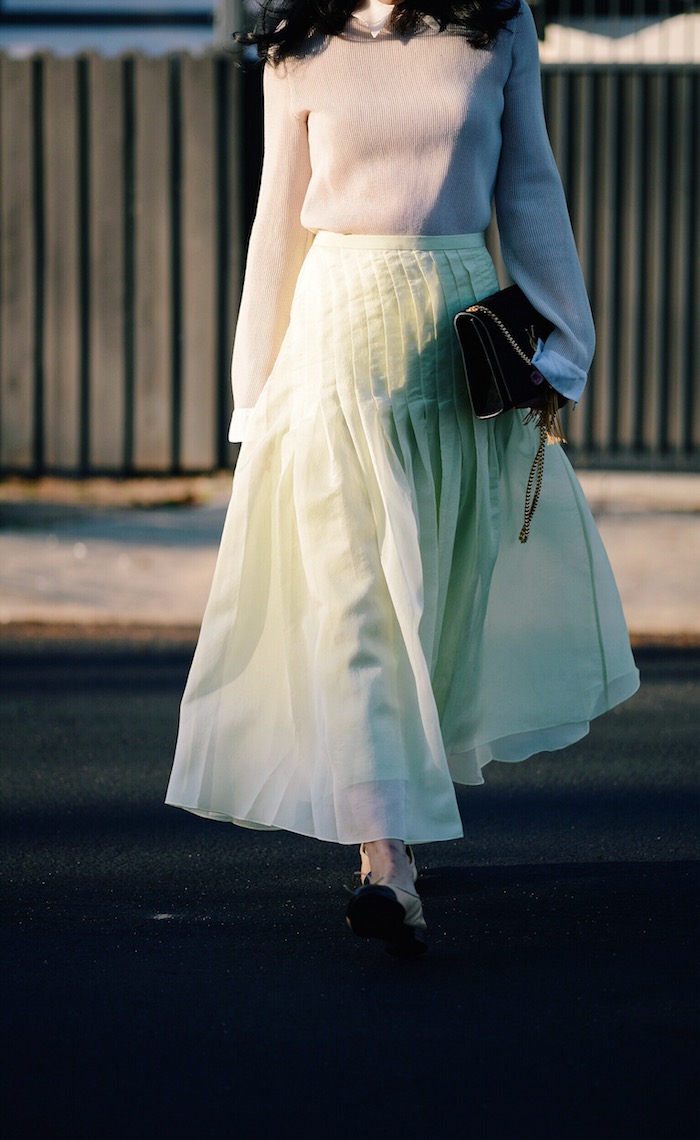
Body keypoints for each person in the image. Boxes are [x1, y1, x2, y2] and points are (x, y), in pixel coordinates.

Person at [166, 0, 639, 957]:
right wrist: (253, 397)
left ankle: (397, 810)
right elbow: (275, 218)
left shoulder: (498, 26)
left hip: (456, 349)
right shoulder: (297, 44)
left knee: (437, 598)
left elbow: (531, 185)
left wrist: (565, 347)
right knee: (353, 606)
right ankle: (388, 862)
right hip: (335, 346)